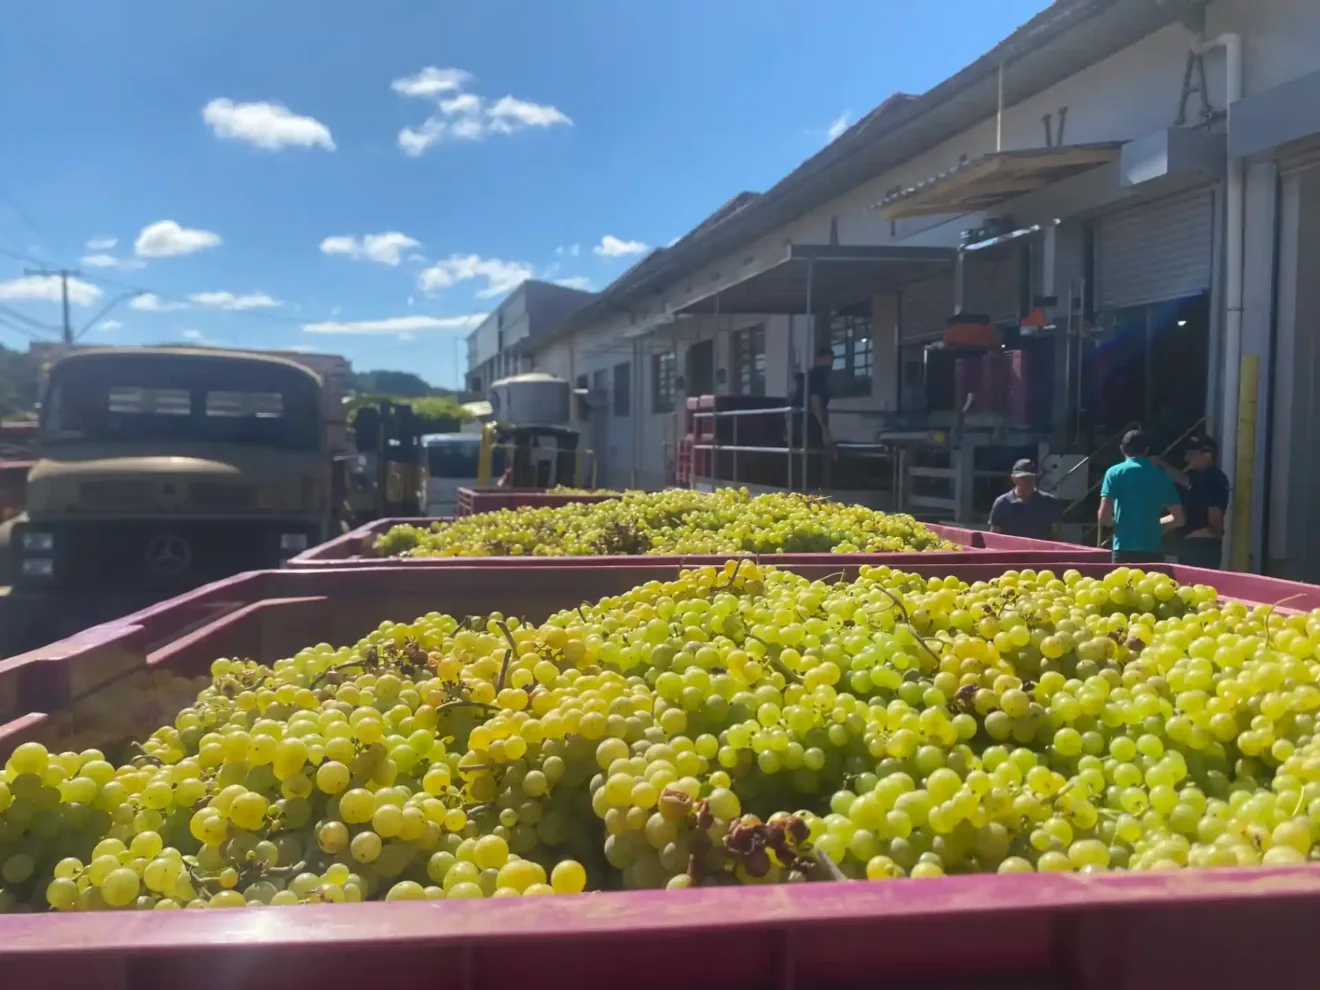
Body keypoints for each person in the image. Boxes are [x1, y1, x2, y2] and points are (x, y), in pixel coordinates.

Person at [1098, 430, 1185, 564]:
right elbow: (1178, 519)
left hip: (1123, 548)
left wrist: (1123, 526)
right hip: (1153, 550)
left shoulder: (1114, 473)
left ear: (1122, 449)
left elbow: (1103, 516)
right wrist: (1156, 526)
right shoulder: (1162, 476)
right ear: (1146, 450)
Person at [1151, 435, 1230, 568]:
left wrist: (1213, 532)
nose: (1187, 454)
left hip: (1202, 543)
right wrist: (1160, 464)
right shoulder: (1196, 477)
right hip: (1190, 542)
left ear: (1207, 454)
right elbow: (1182, 478)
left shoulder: (1214, 477)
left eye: (1194, 451)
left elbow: (1215, 512)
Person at [989, 459, 1062, 540]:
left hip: (1040, 551)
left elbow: (1057, 537)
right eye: (1023, 478)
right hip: (1012, 551)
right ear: (1014, 478)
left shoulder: (1049, 503)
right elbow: (995, 537)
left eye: (1031, 478)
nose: (1028, 482)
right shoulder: (1002, 503)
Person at [789, 346, 835, 453]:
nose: (830, 364)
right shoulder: (819, 375)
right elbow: (815, 402)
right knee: (814, 455)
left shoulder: (811, 376)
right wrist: (824, 428)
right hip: (809, 422)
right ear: (819, 360)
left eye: (831, 360)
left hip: (800, 422)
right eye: (827, 359)